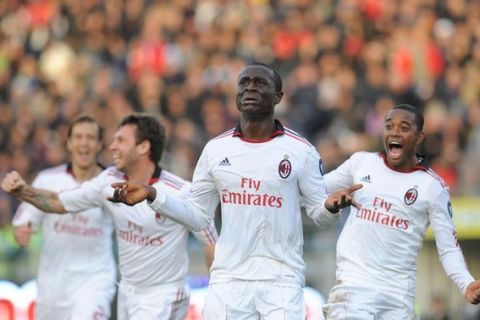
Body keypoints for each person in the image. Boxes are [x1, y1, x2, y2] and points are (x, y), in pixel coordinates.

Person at [107, 62, 362, 319]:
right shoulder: (216, 150)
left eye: (260, 83)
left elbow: (318, 212)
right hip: (228, 280)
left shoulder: (301, 151)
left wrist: (331, 208)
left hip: (281, 280)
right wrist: (154, 195)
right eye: (244, 82)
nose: (250, 87)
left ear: (278, 97)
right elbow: (198, 215)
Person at [2, 113, 218, 320]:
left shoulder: (180, 191)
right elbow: (60, 202)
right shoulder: (109, 180)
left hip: (164, 295)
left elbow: (210, 242)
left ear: (143, 146)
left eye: (121, 141)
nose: (112, 146)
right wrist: (23, 191)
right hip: (126, 293)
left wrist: (216, 293)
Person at [321, 104, 480, 319]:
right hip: (353, 286)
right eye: (389, 126)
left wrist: (466, 283)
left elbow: (448, 247)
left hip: (397, 296)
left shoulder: (432, 187)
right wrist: (330, 203)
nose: (395, 132)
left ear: (419, 136)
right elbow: (316, 188)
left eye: (404, 128)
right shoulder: (362, 163)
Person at [12, 114, 116, 320]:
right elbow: (23, 221)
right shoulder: (48, 179)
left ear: (100, 144)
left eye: (90, 137)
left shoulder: (113, 184)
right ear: (69, 143)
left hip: (94, 283)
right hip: (52, 290)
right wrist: (21, 231)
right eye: (78, 137)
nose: (84, 143)